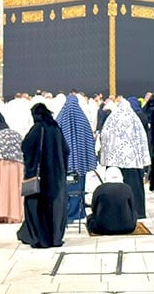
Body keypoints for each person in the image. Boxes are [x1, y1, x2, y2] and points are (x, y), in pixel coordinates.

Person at [17, 103, 69, 248]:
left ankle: (40, 238)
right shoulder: (55, 128)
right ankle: (55, 238)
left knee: (37, 207)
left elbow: (26, 147)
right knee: (55, 208)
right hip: (56, 177)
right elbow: (66, 150)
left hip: (39, 178)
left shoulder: (36, 129)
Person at [99, 100, 150, 219]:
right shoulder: (134, 119)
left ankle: (115, 213)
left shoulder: (111, 119)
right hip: (132, 159)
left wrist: (106, 157)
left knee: (115, 188)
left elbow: (105, 137)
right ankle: (137, 212)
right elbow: (142, 139)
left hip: (114, 160)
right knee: (134, 187)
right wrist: (144, 160)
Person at [56, 93, 97, 223]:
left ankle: (64, 213)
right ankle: (77, 212)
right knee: (78, 188)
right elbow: (89, 141)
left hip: (64, 164)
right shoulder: (83, 120)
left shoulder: (60, 119)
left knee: (66, 188)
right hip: (80, 164)